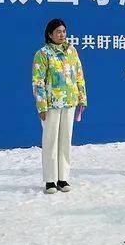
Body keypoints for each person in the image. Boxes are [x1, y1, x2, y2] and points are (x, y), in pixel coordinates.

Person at [32, 19, 87, 194]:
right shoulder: (43, 54)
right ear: (49, 34)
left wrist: (82, 96)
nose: (62, 34)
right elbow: (38, 82)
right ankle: (50, 180)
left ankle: (63, 178)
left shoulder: (72, 51)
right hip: (51, 104)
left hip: (69, 102)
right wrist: (41, 105)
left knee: (65, 140)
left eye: (64, 31)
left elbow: (79, 74)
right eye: (58, 31)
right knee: (50, 141)